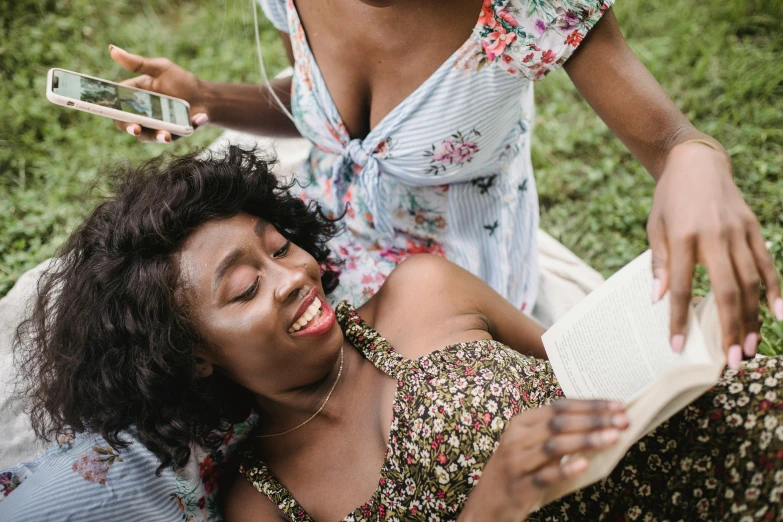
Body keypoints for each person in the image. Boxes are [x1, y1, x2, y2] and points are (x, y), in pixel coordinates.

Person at [2, 147, 782, 521]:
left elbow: (576, 359)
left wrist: (686, 353)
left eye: (280, 246)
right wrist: (488, 507)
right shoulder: (261, 506)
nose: (293, 276)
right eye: (244, 287)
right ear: (192, 355)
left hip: (727, 449)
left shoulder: (422, 289)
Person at [106, 0, 782, 370]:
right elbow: (317, 106)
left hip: (460, 276)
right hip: (315, 248)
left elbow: (671, 141)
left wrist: (696, 164)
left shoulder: (527, 9)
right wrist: (205, 98)